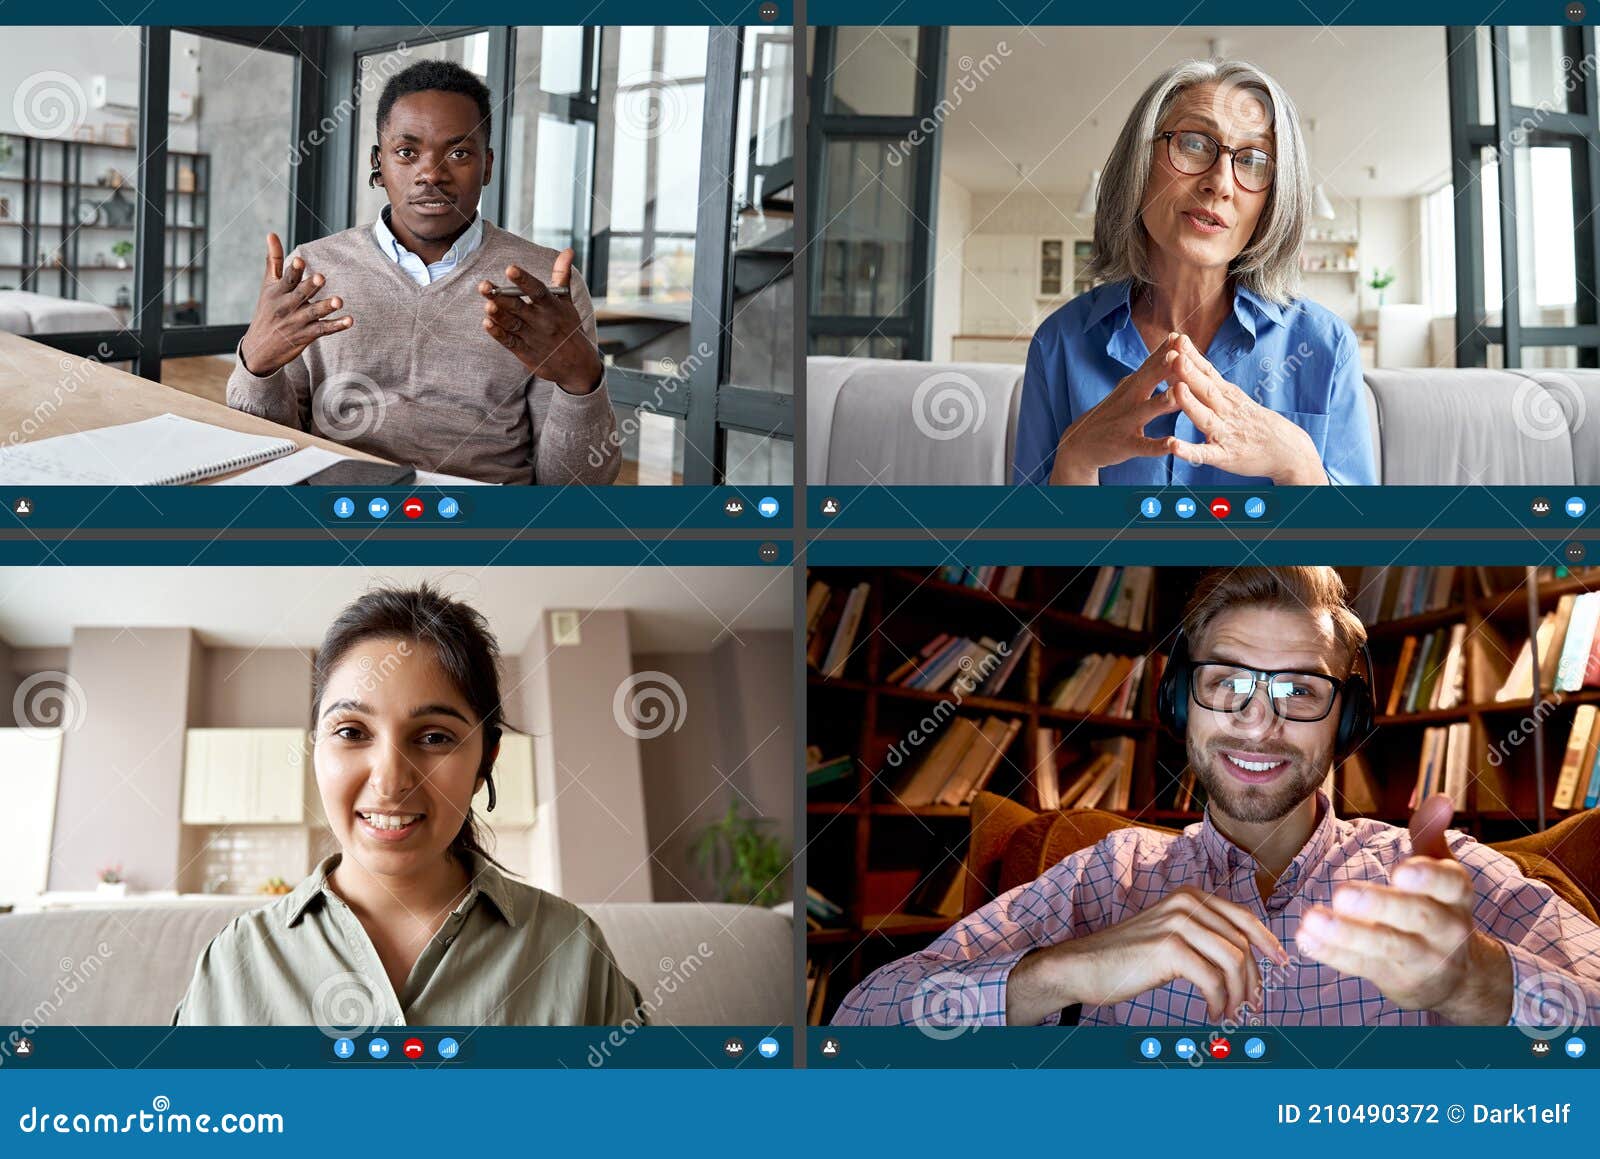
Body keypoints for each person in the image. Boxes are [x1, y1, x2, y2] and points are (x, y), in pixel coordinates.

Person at [833, 567, 1600, 1027]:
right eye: (1227, 682)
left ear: (1349, 719)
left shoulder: (1440, 876)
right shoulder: (1106, 874)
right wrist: (1062, 971)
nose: (1258, 721)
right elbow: (860, 1022)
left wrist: (1479, 981)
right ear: (1179, 704)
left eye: (1301, 688)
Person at [174, 584, 643, 1026]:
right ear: (316, 748)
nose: (390, 779)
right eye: (352, 732)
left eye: (435, 737)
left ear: (486, 760)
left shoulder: (573, 951)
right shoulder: (236, 959)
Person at [228, 60, 620, 485]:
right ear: (379, 164)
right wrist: (257, 368)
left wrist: (582, 381)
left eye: (459, 153)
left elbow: (576, 487)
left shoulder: (547, 285)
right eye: (407, 153)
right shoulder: (313, 268)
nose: (431, 174)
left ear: (487, 166)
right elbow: (271, 452)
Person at [1012, 61, 1378, 487]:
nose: (1220, 183)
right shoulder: (1060, 343)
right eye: (1193, 143)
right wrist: (1074, 461)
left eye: (1254, 160)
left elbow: (1360, 550)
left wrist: (1298, 465)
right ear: (1140, 165)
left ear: (1273, 200)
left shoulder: (1326, 346)